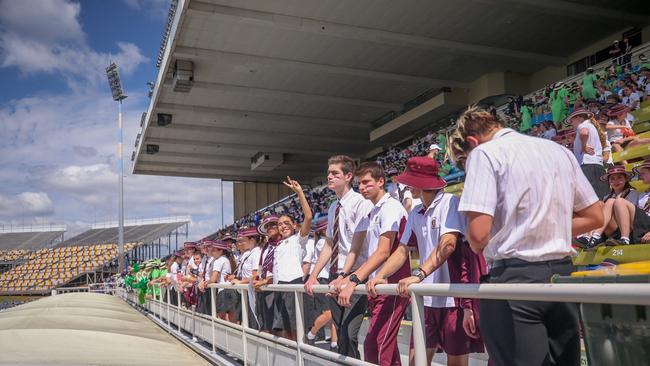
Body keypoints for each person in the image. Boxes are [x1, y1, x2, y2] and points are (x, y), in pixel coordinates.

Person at [448, 105, 603, 366]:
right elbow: (596, 216)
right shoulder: (558, 150)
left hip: (514, 278)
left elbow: (477, 236)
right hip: (563, 276)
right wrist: (544, 225)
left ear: (472, 142)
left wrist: (518, 227)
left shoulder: (484, 154)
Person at [366, 157, 481, 366]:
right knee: (415, 362)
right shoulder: (416, 212)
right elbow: (402, 251)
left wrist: (418, 275)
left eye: (410, 180)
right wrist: (380, 276)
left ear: (420, 182)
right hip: (425, 299)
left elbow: (448, 245)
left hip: (451, 297)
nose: (408, 185)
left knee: (456, 363)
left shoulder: (449, 202)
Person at [333, 162, 409, 366]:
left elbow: (384, 251)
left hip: (392, 284)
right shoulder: (374, 211)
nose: (362, 188)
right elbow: (367, 252)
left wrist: (354, 279)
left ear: (381, 181)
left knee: (376, 347)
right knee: (383, 350)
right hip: (378, 285)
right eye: (359, 184)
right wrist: (346, 277)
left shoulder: (391, 207)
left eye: (367, 183)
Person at [304, 155, 373, 359]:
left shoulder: (361, 203)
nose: (329, 177)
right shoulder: (334, 207)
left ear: (348, 176)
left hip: (355, 274)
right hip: (336, 274)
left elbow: (357, 244)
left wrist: (346, 275)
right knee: (341, 334)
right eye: (328, 173)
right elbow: (329, 243)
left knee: (350, 333)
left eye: (335, 173)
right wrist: (313, 275)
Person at [267, 176, 313, 340]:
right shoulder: (278, 245)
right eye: (280, 224)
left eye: (287, 223)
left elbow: (308, 217)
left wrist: (299, 192)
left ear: (294, 226)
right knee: (283, 330)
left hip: (294, 283)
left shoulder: (299, 239)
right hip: (280, 287)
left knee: (295, 329)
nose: (283, 226)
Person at [578, 165, 640, 249]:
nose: (616, 181)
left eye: (619, 177)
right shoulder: (606, 197)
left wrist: (617, 199)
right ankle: (589, 236)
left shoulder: (633, 193)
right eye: (612, 179)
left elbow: (634, 217)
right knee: (599, 204)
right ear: (608, 181)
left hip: (628, 229)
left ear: (626, 179)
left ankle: (595, 237)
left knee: (612, 201)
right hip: (611, 229)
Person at [304, 217, 338, 349]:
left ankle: (335, 342)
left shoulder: (324, 241)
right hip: (322, 279)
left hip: (330, 278)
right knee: (328, 313)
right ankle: (311, 333)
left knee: (335, 312)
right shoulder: (321, 243)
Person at [566, 108, 609, 198]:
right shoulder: (591, 126)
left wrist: (584, 146)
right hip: (597, 165)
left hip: (588, 165)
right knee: (603, 197)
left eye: (572, 121)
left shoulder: (582, 125)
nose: (572, 125)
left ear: (578, 118)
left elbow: (584, 133)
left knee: (594, 198)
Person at [229, 227, 262, 328]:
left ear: (252, 240)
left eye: (242, 241)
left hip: (254, 292)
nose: (239, 243)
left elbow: (255, 275)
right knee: (248, 322)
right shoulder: (250, 253)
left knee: (255, 322)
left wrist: (240, 282)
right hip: (247, 291)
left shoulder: (256, 253)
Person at [253, 215, 280, 333]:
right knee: (265, 324)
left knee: (278, 326)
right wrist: (257, 278)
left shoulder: (284, 243)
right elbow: (261, 266)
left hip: (276, 288)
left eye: (273, 225)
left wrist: (265, 281)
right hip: (263, 288)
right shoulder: (266, 247)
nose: (269, 228)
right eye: (267, 226)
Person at [212, 240, 238, 322]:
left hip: (223, 290)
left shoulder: (218, 261)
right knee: (231, 315)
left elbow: (213, 279)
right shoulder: (227, 259)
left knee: (221, 317)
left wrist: (205, 282)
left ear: (221, 251)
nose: (212, 252)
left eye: (214, 250)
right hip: (231, 289)